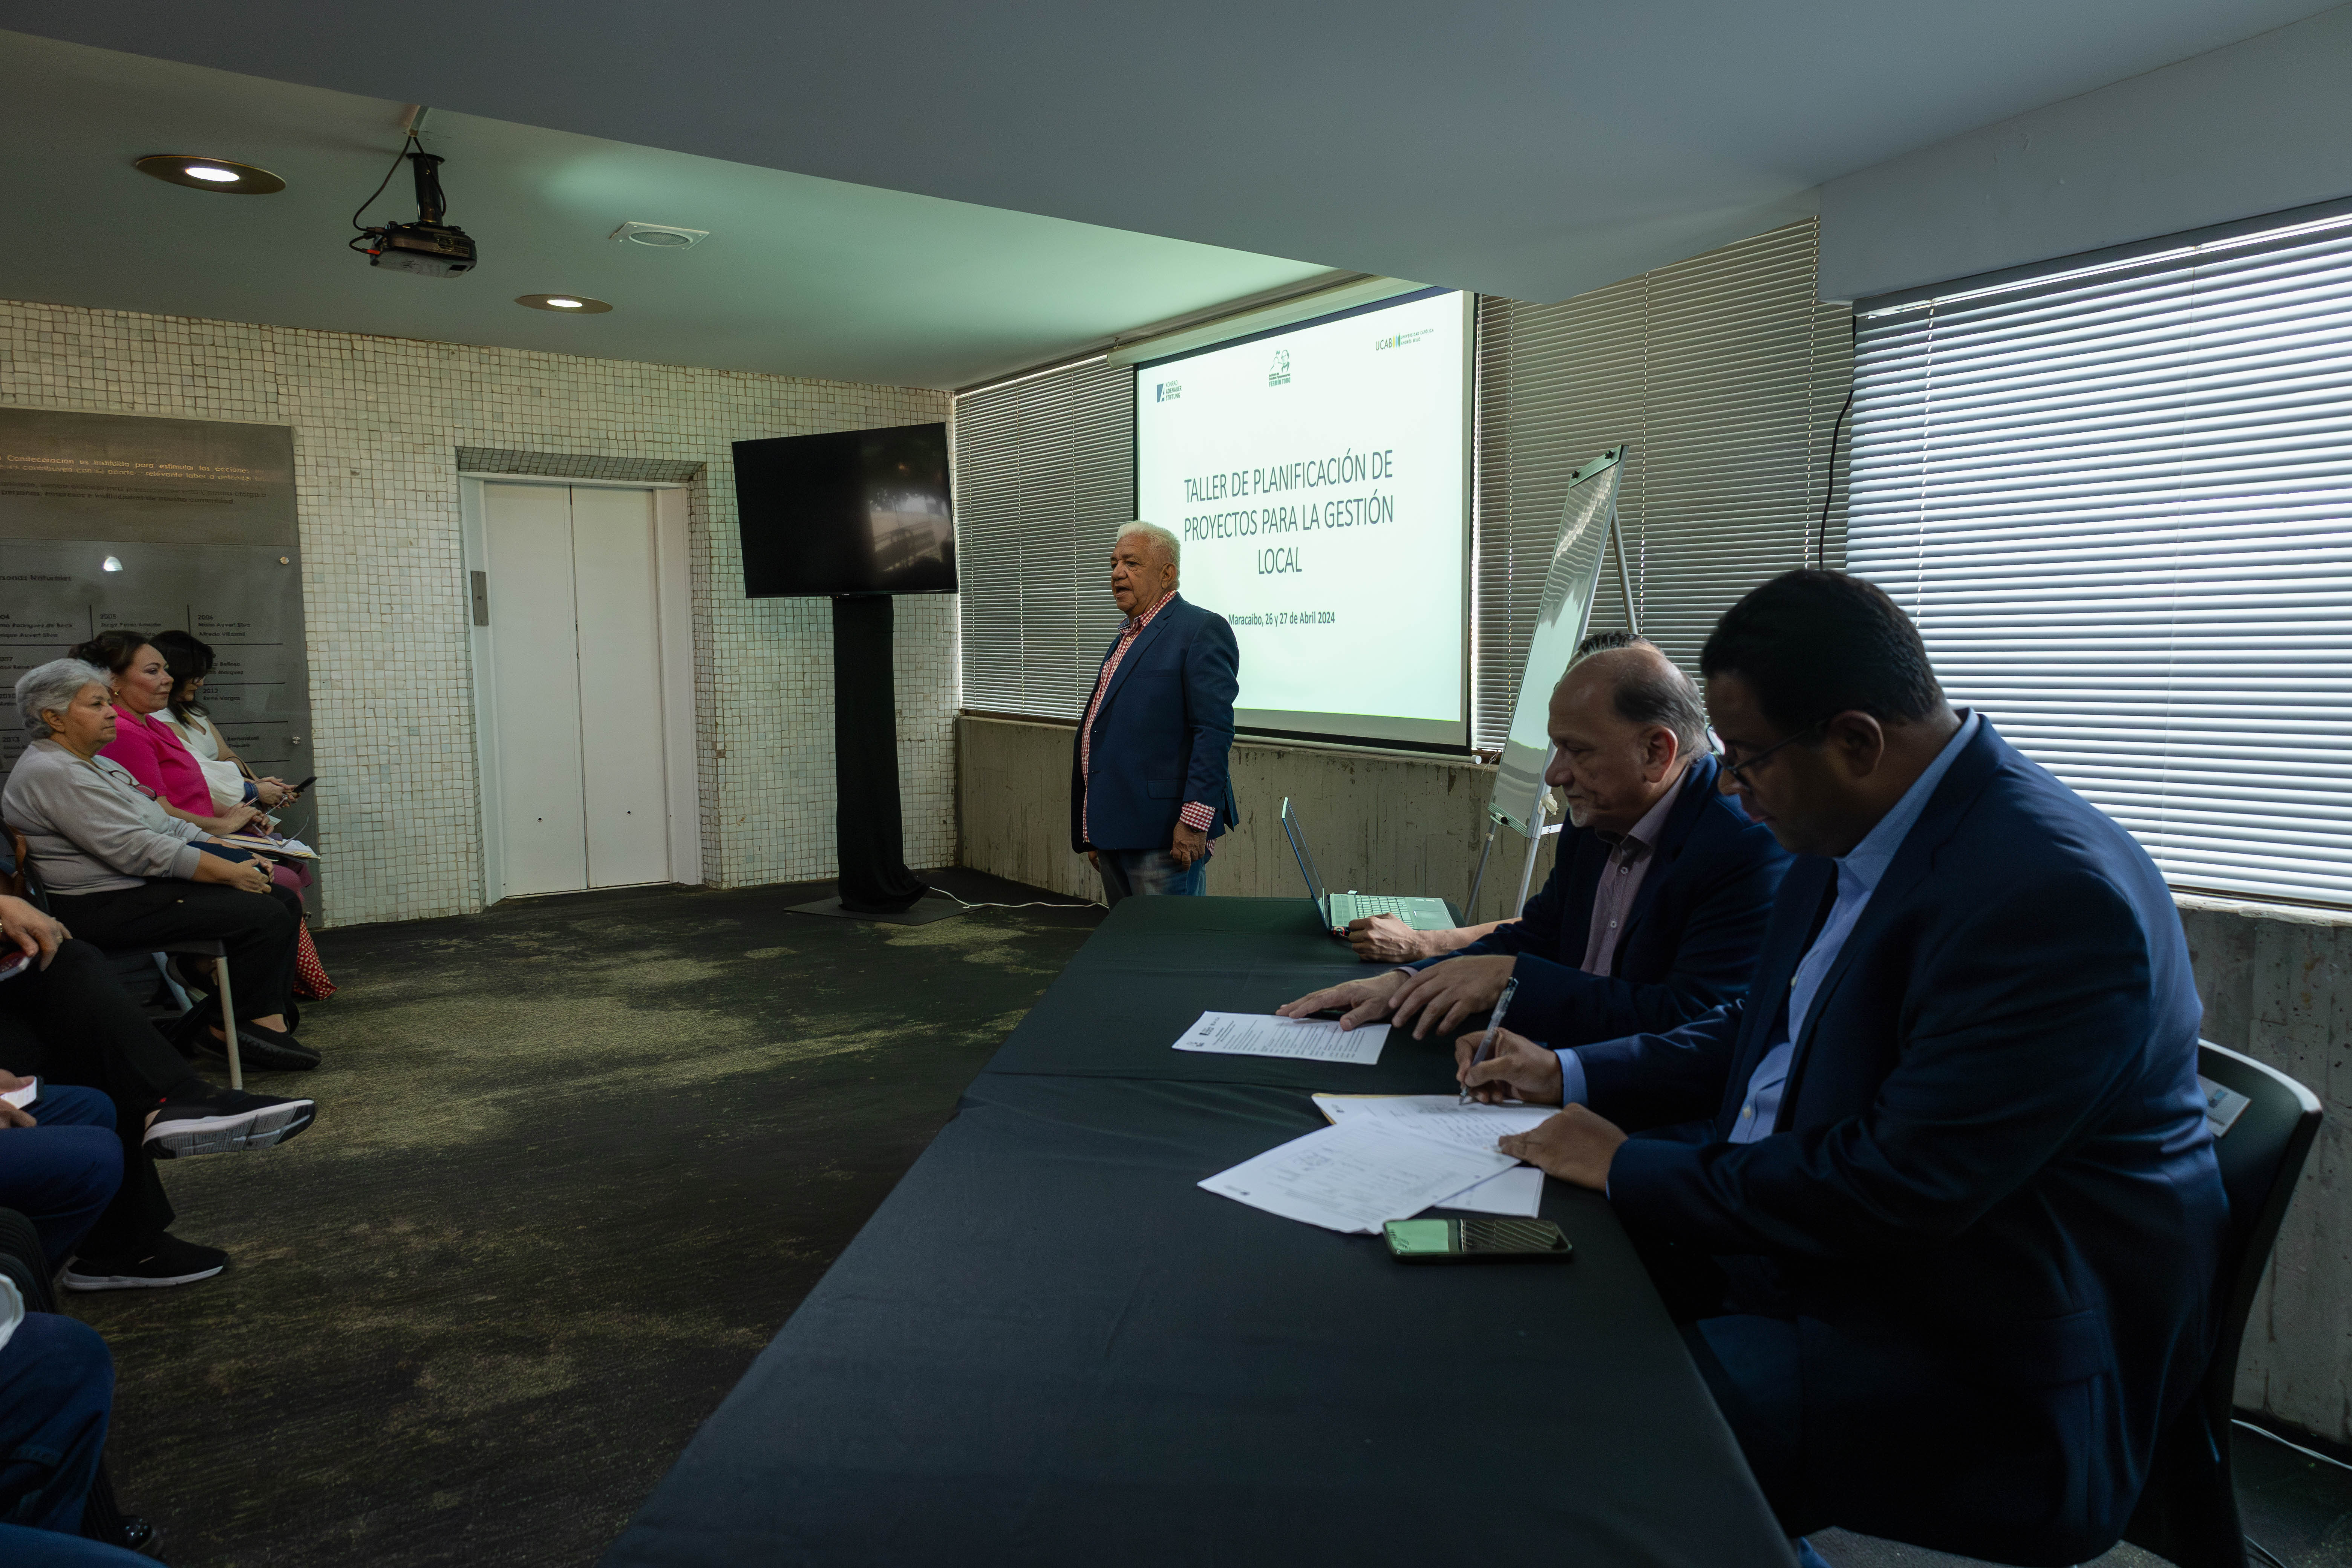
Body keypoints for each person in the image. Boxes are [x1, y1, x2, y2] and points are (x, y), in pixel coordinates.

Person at [1457, 571, 2228, 1566]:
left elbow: (1896, 1187)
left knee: (1581, 1441)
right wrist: (1573, 1074)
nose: (1727, 787)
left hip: (1965, 1341)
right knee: (1498, 1320)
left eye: (1746, 759)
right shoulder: (1854, 828)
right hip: (1806, 1251)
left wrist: (1628, 1164)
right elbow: (1762, 1034)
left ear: (1856, 742)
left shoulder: (2046, 897)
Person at [1279, 632, 1788, 1046]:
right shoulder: (1598, 814)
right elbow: (1541, 934)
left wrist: (1512, 979)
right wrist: (1406, 982)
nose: (1555, 775)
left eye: (1577, 750)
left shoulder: (1742, 845)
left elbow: (1692, 1023)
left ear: (1657, 752)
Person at [3, 660, 318, 1072]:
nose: (111, 712)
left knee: (281, 898)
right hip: (97, 903)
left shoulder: (97, 763)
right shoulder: (52, 771)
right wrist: (228, 871)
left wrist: (232, 851)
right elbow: (136, 848)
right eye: (97, 704)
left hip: (133, 888)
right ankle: (235, 1027)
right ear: (54, 718)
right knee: (263, 913)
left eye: (108, 702)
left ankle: (244, 1021)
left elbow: (165, 823)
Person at [0, 885, 313, 1289]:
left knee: (65, 970)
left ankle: (175, 1102)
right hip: (99, 888)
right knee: (93, 1143)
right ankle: (118, 1245)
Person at [148, 629, 334, 1001]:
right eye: (193, 674)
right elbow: (198, 783)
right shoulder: (154, 724)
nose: (200, 682)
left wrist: (257, 788)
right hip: (194, 827)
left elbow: (226, 759)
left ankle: (275, 978)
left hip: (214, 819)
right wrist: (251, 794)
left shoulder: (192, 715)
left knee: (292, 866)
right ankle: (253, 980)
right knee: (280, 879)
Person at [1070, 523, 1239, 906]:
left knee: (1169, 944)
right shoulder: (1126, 636)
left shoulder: (1200, 629)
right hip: (1115, 834)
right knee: (1127, 942)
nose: (1117, 573)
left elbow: (1213, 733)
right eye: (1114, 563)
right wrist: (1094, 829)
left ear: (1167, 573)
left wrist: (1194, 823)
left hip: (1164, 838)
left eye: (1131, 563)